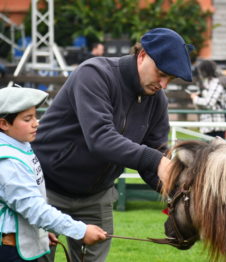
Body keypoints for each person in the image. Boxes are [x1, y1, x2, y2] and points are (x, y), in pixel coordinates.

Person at [32, 27, 193, 262]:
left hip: (96, 197)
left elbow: (155, 155)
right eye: (161, 73)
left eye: (170, 79)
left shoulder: (157, 101)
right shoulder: (94, 74)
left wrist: (182, 190)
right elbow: (100, 138)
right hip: (46, 191)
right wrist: (157, 160)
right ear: (142, 55)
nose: (164, 84)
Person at [0, 87, 107, 262]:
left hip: (20, 244)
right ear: (4, 124)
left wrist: (39, 233)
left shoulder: (20, 145)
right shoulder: (8, 162)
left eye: (35, 116)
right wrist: (80, 231)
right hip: (11, 252)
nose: (36, 123)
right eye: (27, 119)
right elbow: (33, 207)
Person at [189, 59, 226, 138]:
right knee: (208, 149)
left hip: (216, 124)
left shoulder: (216, 82)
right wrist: (199, 95)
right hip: (208, 123)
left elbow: (209, 103)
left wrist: (195, 98)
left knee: (217, 149)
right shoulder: (208, 82)